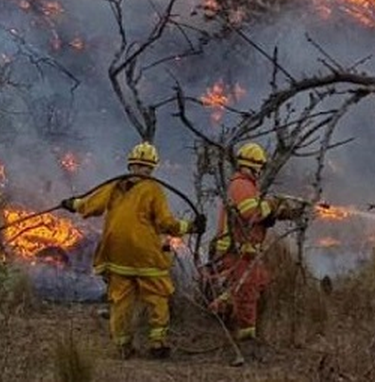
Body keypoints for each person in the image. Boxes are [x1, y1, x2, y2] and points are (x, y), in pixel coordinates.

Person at [61, 142, 206, 359]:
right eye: (143, 168)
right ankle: (158, 343)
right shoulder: (153, 189)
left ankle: (123, 346)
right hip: (145, 253)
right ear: (151, 167)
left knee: (121, 299)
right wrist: (191, 227)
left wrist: (73, 204)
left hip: (115, 252)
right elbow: (167, 223)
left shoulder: (115, 185)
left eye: (144, 168)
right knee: (157, 294)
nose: (143, 172)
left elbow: (91, 204)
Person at [208, 142, 307, 343]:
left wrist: (282, 213)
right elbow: (250, 212)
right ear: (254, 166)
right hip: (237, 250)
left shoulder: (248, 185)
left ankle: (222, 308)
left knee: (259, 283)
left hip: (247, 251)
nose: (260, 171)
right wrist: (271, 205)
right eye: (259, 167)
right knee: (247, 292)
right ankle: (246, 337)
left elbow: (258, 214)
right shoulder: (241, 185)